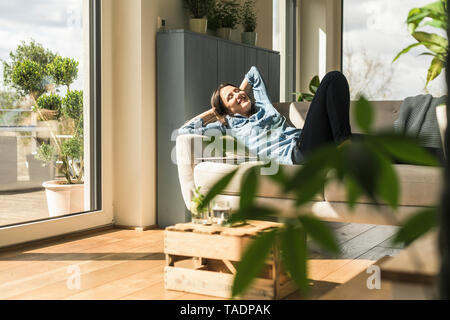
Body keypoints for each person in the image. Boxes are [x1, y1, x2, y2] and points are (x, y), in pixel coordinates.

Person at [178, 66, 352, 165]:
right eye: (230, 97)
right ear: (227, 110)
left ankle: (344, 145)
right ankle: (343, 146)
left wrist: (238, 93)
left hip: (309, 140)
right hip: (298, 153)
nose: (238, 94)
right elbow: (186, 129)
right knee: (332, 79)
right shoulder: (229, 127)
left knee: (370, 144)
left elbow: (253, 72)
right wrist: (214, 111)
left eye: (237, 90)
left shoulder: (263, 107)